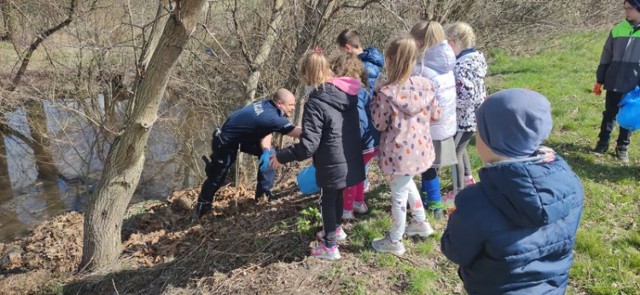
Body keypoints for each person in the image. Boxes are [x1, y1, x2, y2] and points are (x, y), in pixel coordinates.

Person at [441, 88, 584, 294]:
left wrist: (456, 222)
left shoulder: (475, 202)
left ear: (493, 139)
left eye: (480, 132)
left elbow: (456, 252)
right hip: (552, 288)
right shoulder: (570, 185)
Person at [271, 50, 365, 260]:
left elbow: (308, 146)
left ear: (307, 75)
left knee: (327, 200)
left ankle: (330, 247)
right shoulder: (347, 94)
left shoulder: (316, 102)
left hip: (332, 161)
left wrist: (281, 155)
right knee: (337, 194)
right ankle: (336, 230)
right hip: (349, 157)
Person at [369, 36, 437, 256]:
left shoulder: (386, 92)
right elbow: (436, 115)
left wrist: (374, 95)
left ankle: (395, 240)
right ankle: (420, 222)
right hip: (421, 149)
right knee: (407, 183)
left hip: (398, 153)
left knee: (398, 194)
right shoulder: (427, 86)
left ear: (389, 60)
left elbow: (379, 123)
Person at [195, 89, 302, 218]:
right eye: (291, 105)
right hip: (224, 142)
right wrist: (322, 133)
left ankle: (263, 195)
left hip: (241, 139)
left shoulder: (267, 105)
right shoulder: (271, 116)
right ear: (279, 103)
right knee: (217, 176)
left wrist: (266, 151)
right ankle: (202, 208)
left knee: (271, 154)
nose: (293, 108)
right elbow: (300, 133)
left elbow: (266, 130)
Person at [410, 20, 458, 219]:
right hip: (444, 123)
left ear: (420, 42)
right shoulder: (447, 62)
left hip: (427, 126)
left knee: (426, 166)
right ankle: (428, 196)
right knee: (430, 166)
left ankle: (435, 204)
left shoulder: (422, 69)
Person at [329, 52, 380, 220]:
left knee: (350, 177)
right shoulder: (361, 90)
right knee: (358, 174)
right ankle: (358, 203)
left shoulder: (349, 93)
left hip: (360, 142)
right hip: (371, 141)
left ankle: (346, 209)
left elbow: (359, 120)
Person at [337, 29, 384, 193]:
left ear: (348, 48)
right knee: (367, 155)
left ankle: (359, 191)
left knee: (361, 156)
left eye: (342, 51)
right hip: (373, 117)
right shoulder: (374, 61)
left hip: (365, 118)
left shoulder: (362, 68)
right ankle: (360, 191)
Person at [593, 0, 640, 164]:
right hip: (614, 81)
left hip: (634, 85)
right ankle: (602, 143)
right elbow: (606, 55)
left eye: (630, 8)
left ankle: (622, 148)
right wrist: (600, 79)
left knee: (627, 116)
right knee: (609, 114)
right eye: (625, 8)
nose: (627, 12)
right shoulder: (618, 29)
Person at [445, 21, 488, 199]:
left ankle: (457, 192)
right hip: (473, 116)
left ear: (454, 43)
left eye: (447, 44)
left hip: (464, 118)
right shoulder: (476, 59)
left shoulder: (461, 67)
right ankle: (468, 178)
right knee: (460, 149)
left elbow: (467, 96)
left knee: (453, 154)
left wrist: (449, 102)